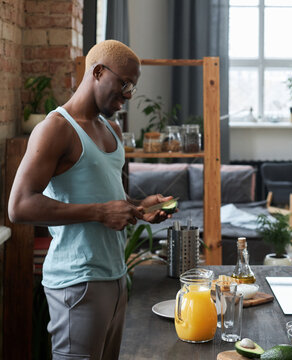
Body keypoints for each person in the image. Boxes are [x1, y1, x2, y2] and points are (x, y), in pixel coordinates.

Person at [8, 40, 174, 359]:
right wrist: (99, 212)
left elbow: (108, 193)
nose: (128, 94)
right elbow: (19, 206)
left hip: (114, 275)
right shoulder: (55, 128)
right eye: (124, 83)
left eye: (132, 87)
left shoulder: (111, 129)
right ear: (98, 72)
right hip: (77, 281)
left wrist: (139, 208)